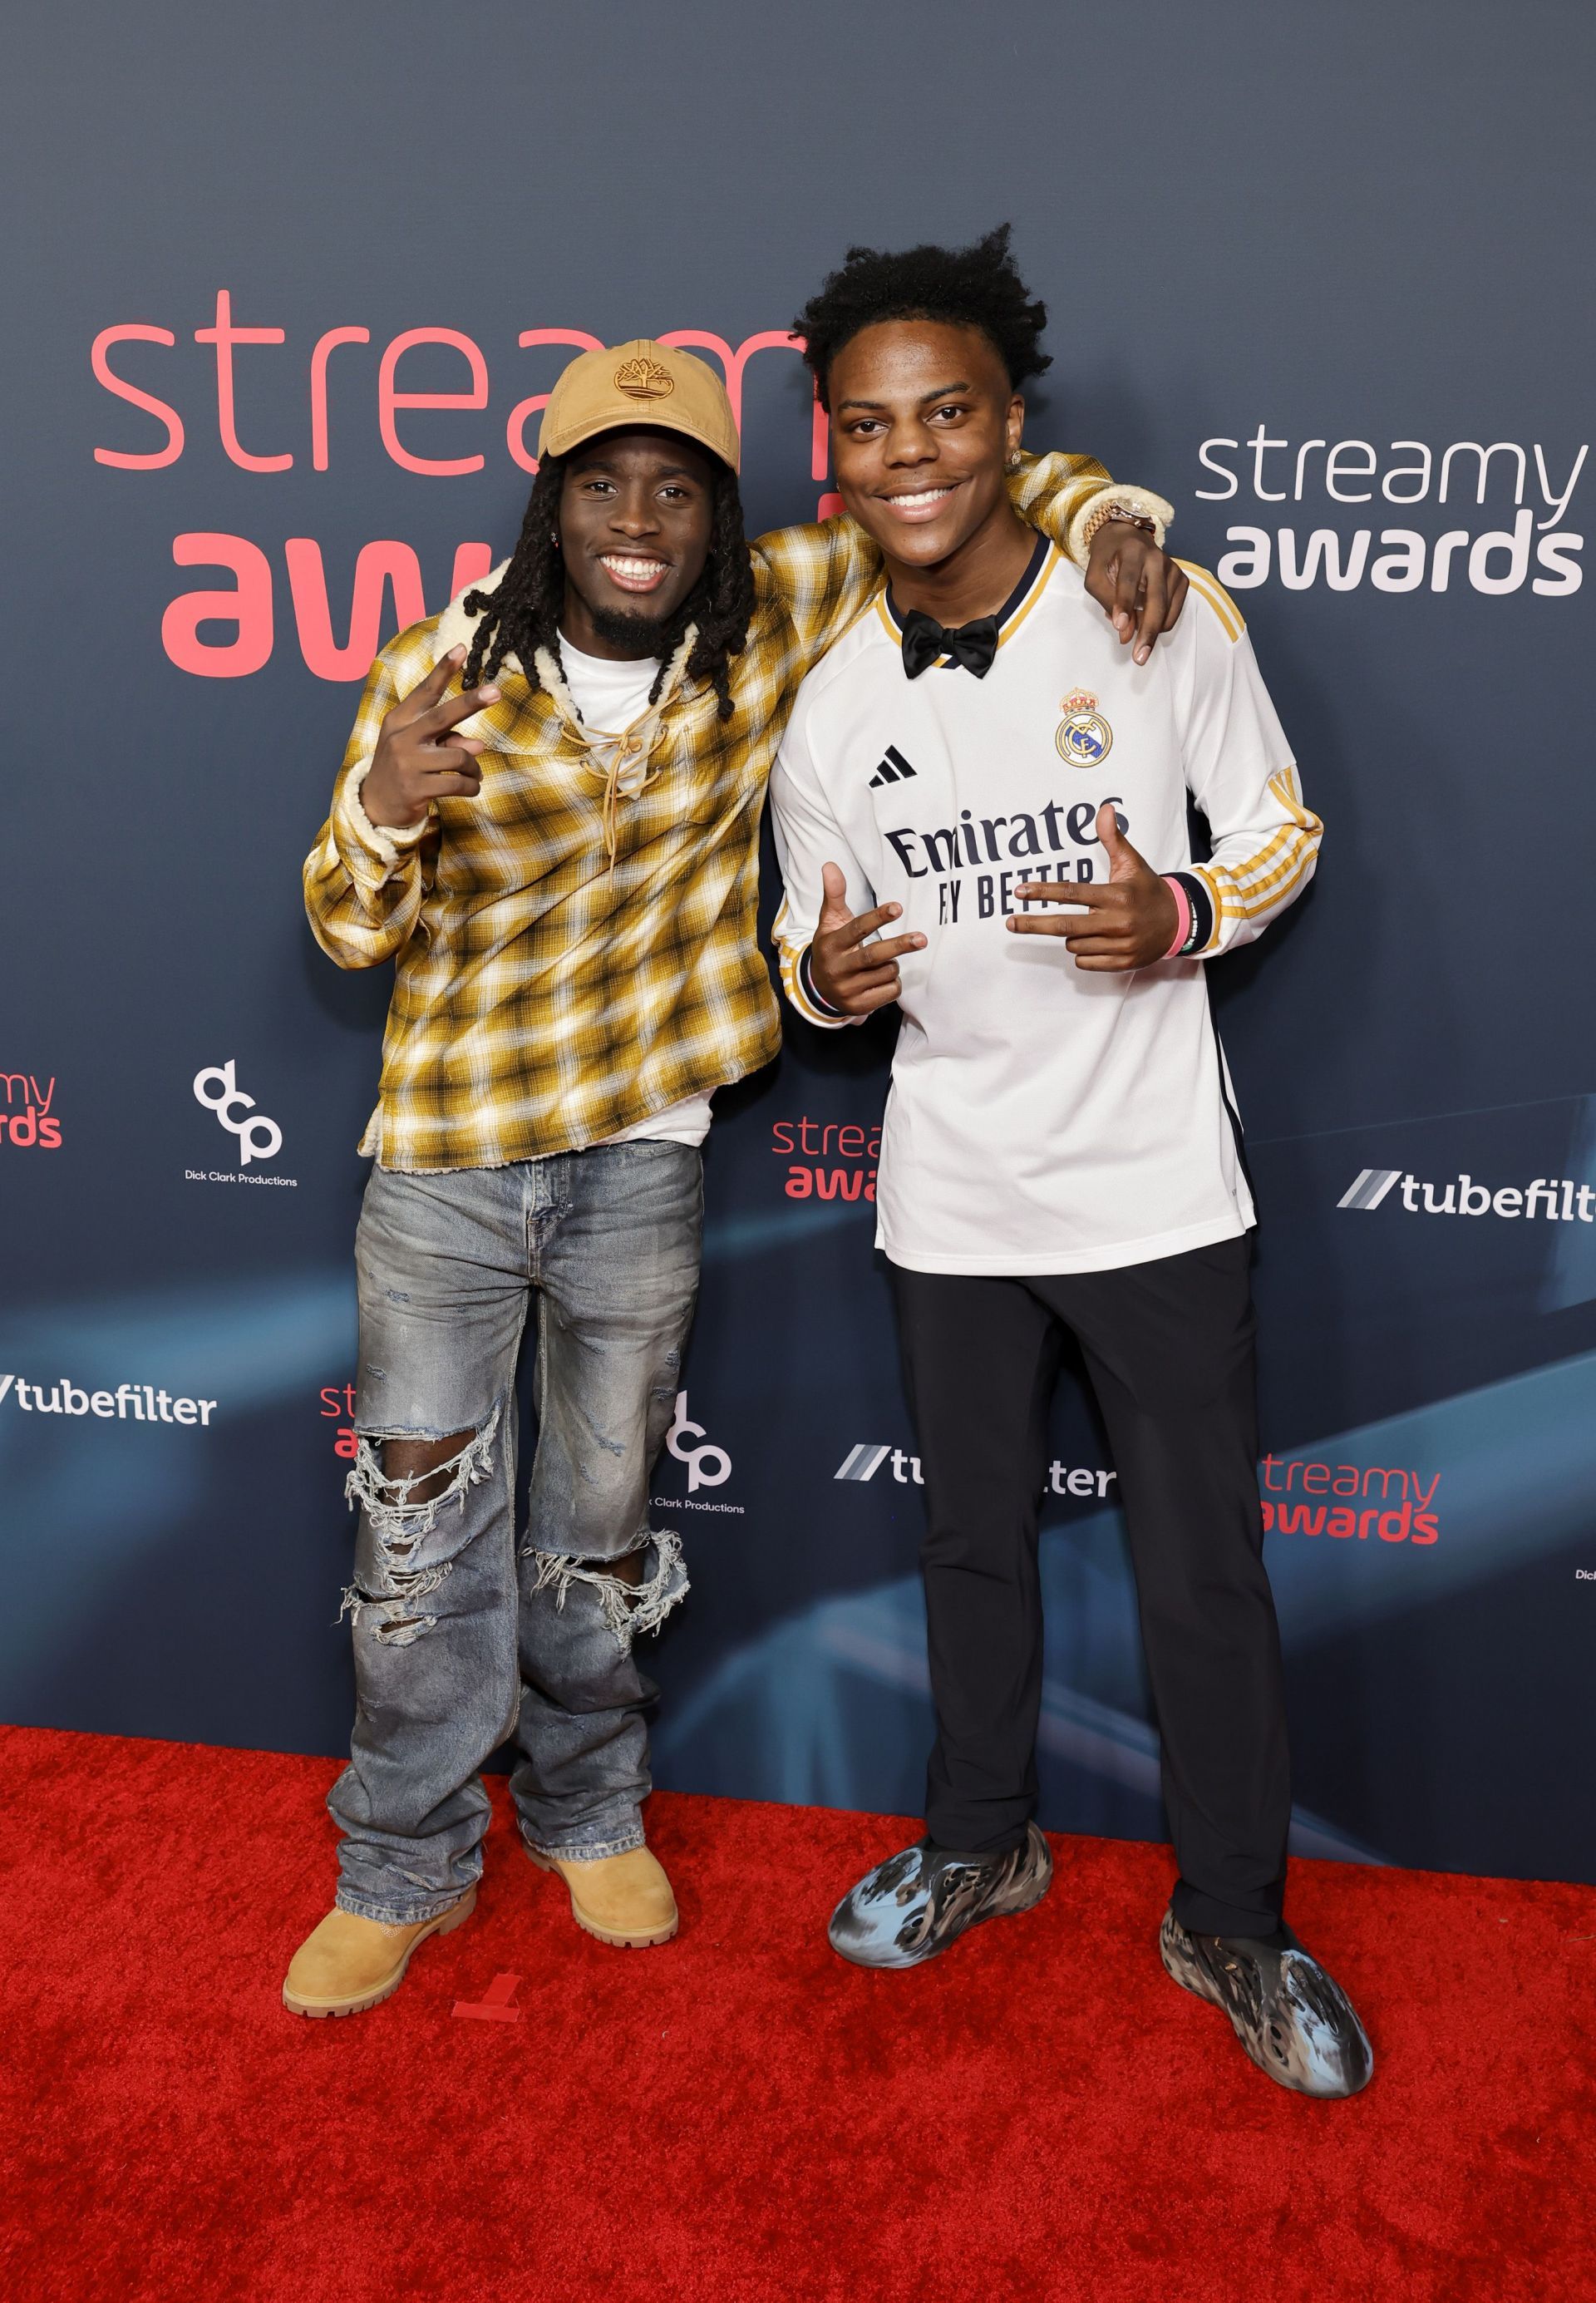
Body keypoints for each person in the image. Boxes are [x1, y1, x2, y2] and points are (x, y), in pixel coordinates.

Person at [285, 325, 1185, 2020]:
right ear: (553, 506)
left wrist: (1115, 505)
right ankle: (399, 1856)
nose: (641, 517)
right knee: (417, 1533)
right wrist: (390, 809)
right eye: (607, 484)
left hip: (642, 1165)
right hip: (447, 1168)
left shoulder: (768, 623)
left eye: (678, 490)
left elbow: (963, 485)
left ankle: (586, 1804)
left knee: (598, 1520)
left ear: (720, 518)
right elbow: (342, 921)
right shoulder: (446, 662)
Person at [769, 229, 1372, 2100]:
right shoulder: (827, 690)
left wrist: (1182, 908)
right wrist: (826, 975)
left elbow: (1279, 831)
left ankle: (1238, 1920)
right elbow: (805, 930)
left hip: (1154, 1187)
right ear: (830, 451)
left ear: (1011, 420)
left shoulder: (1148, 606)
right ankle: (982, 1834)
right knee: (966, 1544)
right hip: (947, 1193)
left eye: (946, 411)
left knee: (1203, 1574)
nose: (910, 453)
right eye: (869, 426)